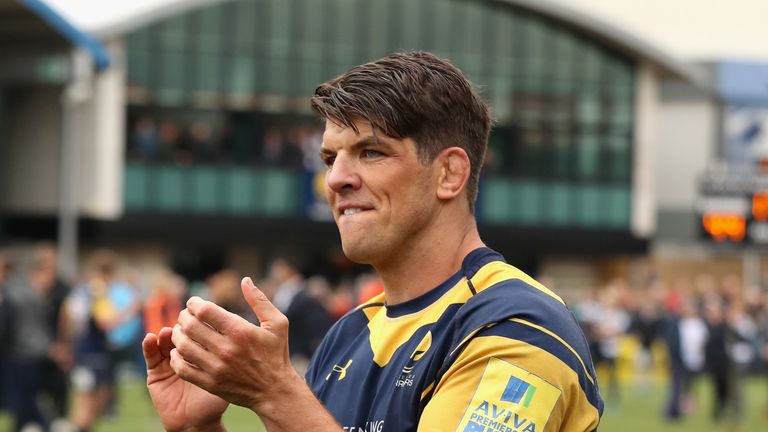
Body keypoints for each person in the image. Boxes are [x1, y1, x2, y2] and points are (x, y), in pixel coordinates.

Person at [143, 51, 603, 431]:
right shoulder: (348, 335)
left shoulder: (515, 326)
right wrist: (198, 429)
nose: (337, 179)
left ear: (450, 173)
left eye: (371, 152)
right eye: (329, 158)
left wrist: (276, 392)